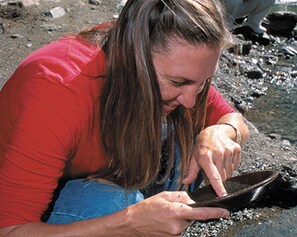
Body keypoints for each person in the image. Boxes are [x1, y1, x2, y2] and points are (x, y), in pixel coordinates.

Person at [0, 0, 250, 236]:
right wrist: (128, 222)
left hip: (88, 173)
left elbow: (232, 119)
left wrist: (222, 132)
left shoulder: (176, 64)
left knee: (188, 145)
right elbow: (10, 229)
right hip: (21, 210)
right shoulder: (57, 91)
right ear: (132, 57)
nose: (192, 100)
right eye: (178, 82)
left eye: (203, 81)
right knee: (116, 204)